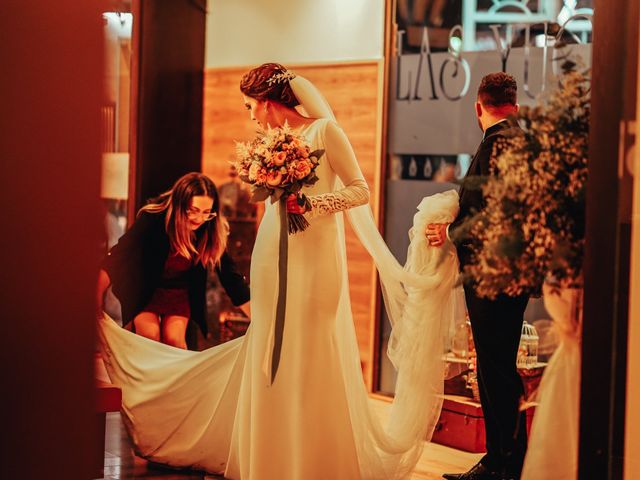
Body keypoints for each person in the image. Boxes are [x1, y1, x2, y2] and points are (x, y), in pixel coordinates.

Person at [97, 63, 463, 479]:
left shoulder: (326, 132)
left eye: (252, 106)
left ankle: (308, 455)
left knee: (309, 348)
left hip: (316, 256)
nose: (250, 114)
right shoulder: (269, 142)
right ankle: (269, 454)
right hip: (272, 252)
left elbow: (359, 189)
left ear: (270, 103)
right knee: (269, 344)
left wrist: (313, 204)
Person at [427, 72, 530, 480]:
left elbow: (498, 215)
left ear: (478, 107)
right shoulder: (522, 140)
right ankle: (506, 459)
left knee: (494, 368)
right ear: (515, 106)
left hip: (493, 278)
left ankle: (500, 464)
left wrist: (451, 232)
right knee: (498, 366)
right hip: (512, 275)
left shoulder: (498, 142)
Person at [96, 172, 250, 348]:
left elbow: (231, 276)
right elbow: (120, 253)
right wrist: (97, 292)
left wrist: (256, 317)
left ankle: (176, 376)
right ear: (180, 205)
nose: (199, 219)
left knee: (174, 340)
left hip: (179, 290)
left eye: (207, 212)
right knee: (149, 336)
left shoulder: (209, 229)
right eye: (193, 211)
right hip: (146, 287)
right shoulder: (153, 219)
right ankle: (148, 376)